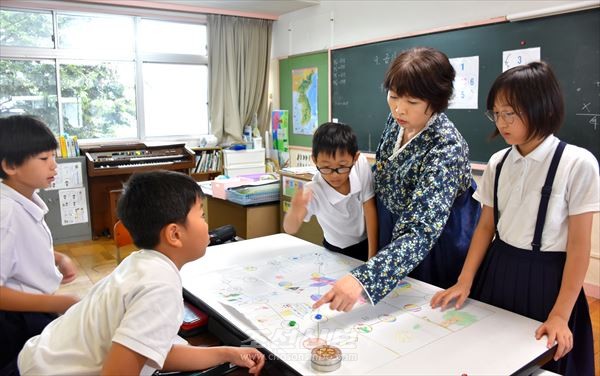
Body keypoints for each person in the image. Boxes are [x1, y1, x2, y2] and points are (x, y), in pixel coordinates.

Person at [430, 61, 597, 375]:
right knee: (491, 355)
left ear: (542, 109)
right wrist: (464, 281)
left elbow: (578, 246)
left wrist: (561, 314)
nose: (501, 122)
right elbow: (485, 227)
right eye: (496, 113)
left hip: (550, 278)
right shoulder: (498, 162)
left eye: (510, 113)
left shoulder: (577, 163)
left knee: (542, 359)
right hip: (499, 268)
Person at [18, 171, 265, 375]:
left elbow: (148, 349)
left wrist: (225, 353)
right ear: (175, 234)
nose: (207, 224)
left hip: (38, 358)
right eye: (201, 215)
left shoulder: (140, 264)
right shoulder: (159, 286)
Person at [314, 47, 480, 312]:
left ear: (436, 102)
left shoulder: (446, 146)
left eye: (412, 102)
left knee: (418, 312)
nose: (399, 109)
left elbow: (421, 231)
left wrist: (364, 278)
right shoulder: (398, 120)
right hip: (391, 227)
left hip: (431, 241)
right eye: (393, 97)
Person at [0, 115, 79, 373]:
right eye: (44, 159)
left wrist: (57, 257)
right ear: (11, 165)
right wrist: (57, 303)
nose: (54, 166)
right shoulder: (6, 213)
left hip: (33, 308)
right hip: (16, 318)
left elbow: (19, 249)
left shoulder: (24, 198)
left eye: (53, 157)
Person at [283, 122, 378, 261]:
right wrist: (294, 209)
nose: (334, 175)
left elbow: (369, 208)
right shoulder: (313, 190)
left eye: (342, 166)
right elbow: (290, 228)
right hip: (335, 251)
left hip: (367, 244)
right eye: (326, 167)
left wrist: (372, 260)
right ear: (314, 160)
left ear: (355, 158)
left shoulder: (360, 165)